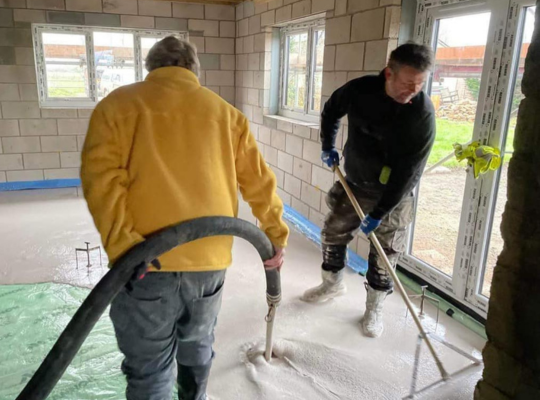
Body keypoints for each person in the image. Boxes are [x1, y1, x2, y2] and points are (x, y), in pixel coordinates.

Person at [81, 36, 289, 400]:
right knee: (197, 343)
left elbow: (101, 182)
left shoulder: (116, 107)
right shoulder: (226, 114)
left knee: (150, 367)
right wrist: (276, 235)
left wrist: (124, 247)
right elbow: (259, 181)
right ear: (193, 70)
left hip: (145, 262)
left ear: (151, 68)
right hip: (208, 262)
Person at [301, 43, 436, 338]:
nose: (413, 91)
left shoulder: (422, 117)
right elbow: (331, 111)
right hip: (356, 183)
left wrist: (380, 212)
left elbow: (408, 174)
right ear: (389, 73)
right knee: (333, 232)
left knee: (385, 253)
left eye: (420, 84)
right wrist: (327, 146)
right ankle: (331, 283)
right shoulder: (360, 91)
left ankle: (374, 308)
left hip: (394, 195)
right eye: (407, 83)